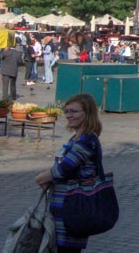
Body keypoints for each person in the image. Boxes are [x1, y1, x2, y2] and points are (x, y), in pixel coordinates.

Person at [35, 93, 105, 253]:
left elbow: (66, 166)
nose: (68, 115)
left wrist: (42, 177)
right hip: (63, 208)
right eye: (66, 111)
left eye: (74, 111)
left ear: (87, 114)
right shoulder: (76, 138)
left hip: (73, 210)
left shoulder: (87, 139)